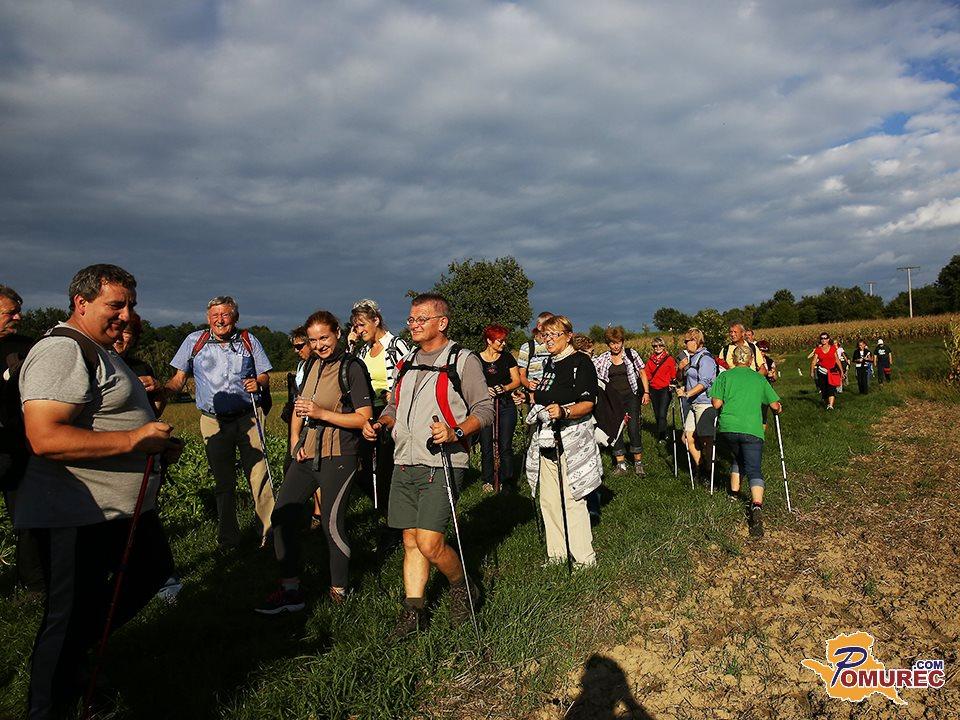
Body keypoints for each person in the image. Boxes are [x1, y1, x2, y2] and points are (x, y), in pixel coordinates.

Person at [16, 264, 182, 719]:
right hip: (75, 512)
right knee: (67, 618)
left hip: (116, 511)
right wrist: (134, 440)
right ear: (81, 302)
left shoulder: (100, 350)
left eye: (131, 305)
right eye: (116, 305)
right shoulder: (62, 350)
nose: (126, 315)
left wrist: (154, 447)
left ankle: (79, 659)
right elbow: (45, 437)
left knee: (150, 571)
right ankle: (50, 705)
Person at [362, 293, 493, 637]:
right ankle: (414, 611)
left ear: (442, 322)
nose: (414, 325)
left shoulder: (462, 360)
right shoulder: (407, 361)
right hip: (403, 460)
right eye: (411, 319)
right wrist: (382, 422)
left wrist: (456, 431)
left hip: (442, 462)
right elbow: (393, 405)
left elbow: (485, 409)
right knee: (410, 541)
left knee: (430, 543)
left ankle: (462, 585)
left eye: (422, 319)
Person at [256, 310, 373, 613]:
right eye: (313, 340)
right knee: (282, 517)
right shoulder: (309, 365)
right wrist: (295, 441)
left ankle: (339, 592)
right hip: (306, 455)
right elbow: (299, 406)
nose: (319, 345)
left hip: (340, 455)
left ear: (337, 333)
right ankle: (290, 590)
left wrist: (321, 414)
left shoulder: (352, 368)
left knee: (332, 524)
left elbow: (363, 418)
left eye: (324, 338)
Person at [164, 296, 275, 549]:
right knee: (223, 483)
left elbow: (264, 375)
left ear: (235, 317)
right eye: (215, 315)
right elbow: (178, 379)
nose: (220, 320)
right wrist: (160, 393)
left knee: (259, 476)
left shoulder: (248, 340)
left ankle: (268, 534)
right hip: (212, 421)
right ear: (208, 318)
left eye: (225, 315)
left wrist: (258, 383)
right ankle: (228, 540)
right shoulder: (194, 341)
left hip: (249, 417)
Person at [524, 315, 602, 567]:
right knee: (548, 500)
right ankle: (556, 555)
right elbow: (544, 395)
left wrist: (564, 411)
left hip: (572, 440)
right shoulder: (549, 363)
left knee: (573, 499)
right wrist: (529, 400)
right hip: (547, 440)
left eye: (553, 335)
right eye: (545, 335)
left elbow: (588, 403)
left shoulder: (581, 362)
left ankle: (584, 559)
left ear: (568, 336)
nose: (548, 340)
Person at [709, 345, 782, 537]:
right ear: (750, 360)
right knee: (754, 468)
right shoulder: (759, 378)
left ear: (733, 359)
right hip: (752, 429)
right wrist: (778, 408)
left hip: (729, 428)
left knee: (737, 459)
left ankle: (733, 495)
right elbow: (774, 405)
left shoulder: (724, 376)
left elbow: (716, 403)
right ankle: (756, 506)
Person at [0, 284, 44, 593]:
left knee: (28, 516)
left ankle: (34, 581)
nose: (18, 316)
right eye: (10, 312)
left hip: (18, 445)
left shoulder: (29, 348)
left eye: (19, 311)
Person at [350, 299, 411, 511]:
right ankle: (386, 507)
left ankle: (391, 512)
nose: (359, 330)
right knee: (361, 467)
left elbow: (409, 376)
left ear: (376, 320)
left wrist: (394, 394)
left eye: (362, 325)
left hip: (391, 413)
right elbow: (348, 373)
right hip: (368, 413)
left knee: (387, 466)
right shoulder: (362, 352)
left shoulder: (396, 345)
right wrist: (351, 345)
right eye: (355, 326)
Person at [592, 326, 650, 475]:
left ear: (622, 342)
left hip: (631, 396)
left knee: (633, 428)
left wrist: (646, 392)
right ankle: (621, 464)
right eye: (612, 343)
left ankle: (638, 462)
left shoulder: (631, 354)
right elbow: (591, 369)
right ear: (608, 344)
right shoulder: (603, 358)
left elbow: (642, 372)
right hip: (613, 400)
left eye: (618, 342)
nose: (616, 346)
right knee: (616, 429)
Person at [478, 324, 521, 493]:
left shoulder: (507, 357)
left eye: (504, 341)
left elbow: (516, 380)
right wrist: (484, 390)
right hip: (485, 406)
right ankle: (488, 479)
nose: (503, 344)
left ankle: (507, 480)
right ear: (489, 341)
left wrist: (505, 388)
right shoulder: (476, 358)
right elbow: (472, 382)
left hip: (505, 404)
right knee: (486, 443)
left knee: (505, 444)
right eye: (499, 341)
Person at [675, 328, 718, 480]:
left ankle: (710, 471)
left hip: (704, 403)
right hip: (693, 402)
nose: (685, 344)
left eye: (687, 341)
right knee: (687, 438)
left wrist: (687, 393)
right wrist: (684, 383)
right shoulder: (693, 358)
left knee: (706, 440)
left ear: (696, 341)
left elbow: (704, 383)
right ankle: (701, 466)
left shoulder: (705, 359)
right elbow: (686, 379)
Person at [645, 337, 677, 443]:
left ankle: (662, 436)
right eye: (655, 346)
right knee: (657, 414)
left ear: (664, 346)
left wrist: (673, 383)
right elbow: (647, 374)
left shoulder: (669, 359)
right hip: (653, 389)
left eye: (660, 345)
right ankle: (663, 431)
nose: (657, 348)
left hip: (665, 389)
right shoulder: (650, 360)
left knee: (662, 414)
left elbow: (673, 375)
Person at [810, 332, 843, 410]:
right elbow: (814, 361)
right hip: (822, 372)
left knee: (831, 388)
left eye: (825, 338)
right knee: (824, 389)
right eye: (822, 338)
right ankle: (827, 403)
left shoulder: (833, 348)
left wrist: (841, 371)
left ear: (828, 339)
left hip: (832, 371)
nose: (823, 340)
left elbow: (837, 360)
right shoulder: (818, 350)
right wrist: (812, 371)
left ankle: (831, 405)